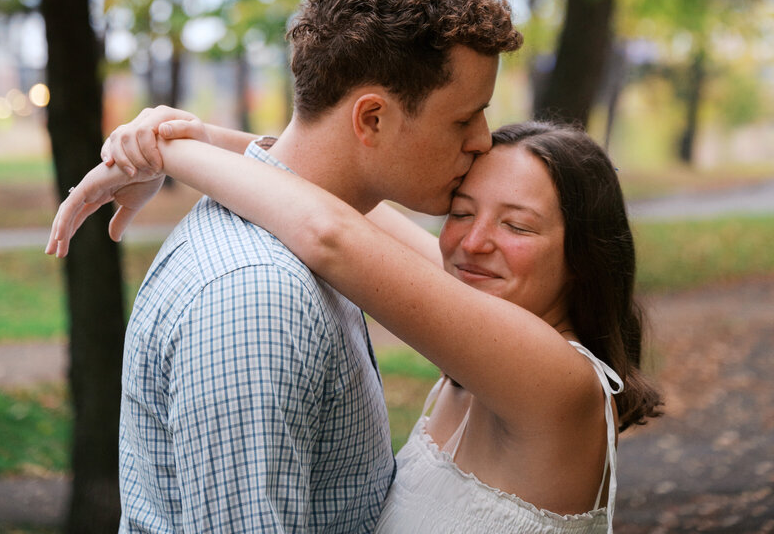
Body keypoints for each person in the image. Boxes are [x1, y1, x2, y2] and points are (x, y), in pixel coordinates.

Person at [48, 0, 522, 533]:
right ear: (372, 119)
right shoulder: (256, 296)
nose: (483, 140)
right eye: (463, 118)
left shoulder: (310, 244)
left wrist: (187, 145)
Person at [51, 119, 662, 534]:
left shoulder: (557, 381)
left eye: (518, 226)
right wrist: (194, 132)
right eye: (461, 212)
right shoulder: (485, 303)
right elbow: (338, 203)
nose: (474, 243)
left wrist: (170, 154)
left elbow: (332, 236)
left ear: (584, 258)